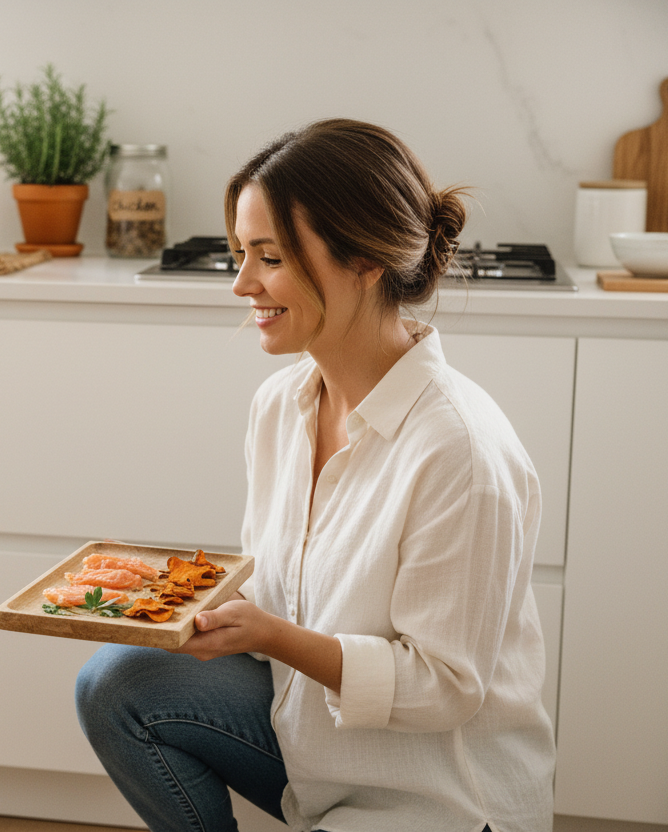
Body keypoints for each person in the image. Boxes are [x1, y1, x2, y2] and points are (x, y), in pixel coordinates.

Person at [75, 119, 556, 832]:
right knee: (117, 682)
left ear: (363, 258)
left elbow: (444, 688)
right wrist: (177, 598)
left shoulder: (458, 451)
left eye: (267, 257)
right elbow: (288, 588)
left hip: (437, 800)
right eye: (241, 254)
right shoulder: (281, 406)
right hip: (320, 757)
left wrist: (270, 636)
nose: (242, 284)